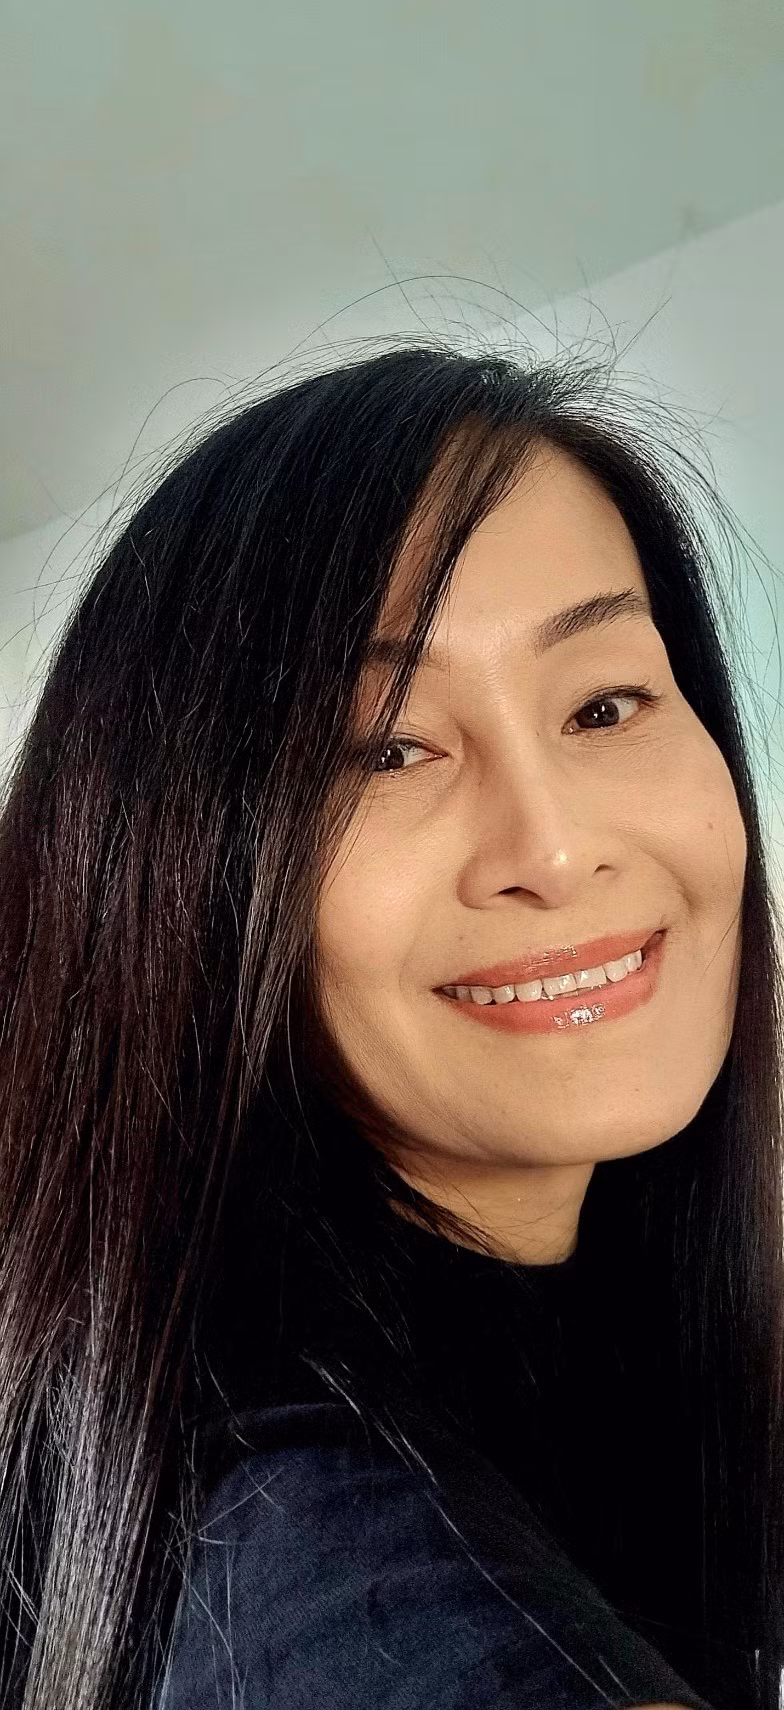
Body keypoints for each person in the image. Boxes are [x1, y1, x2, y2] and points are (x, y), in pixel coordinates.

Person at [0, 342, 779, 1710]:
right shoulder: (316, 1538)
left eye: (604, 705)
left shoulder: (610, 1346)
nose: (554, 848)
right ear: (186, 879)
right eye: (388, 750)